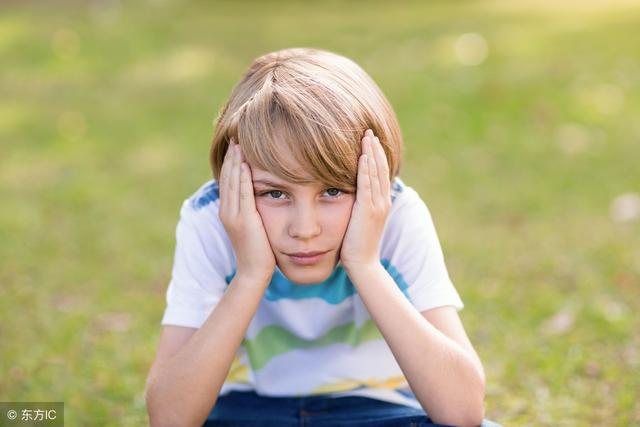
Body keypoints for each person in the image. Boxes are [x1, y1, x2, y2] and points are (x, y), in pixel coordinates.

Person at [145, 48, 499, 427]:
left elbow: (462, 412)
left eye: (332, 191)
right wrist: (250, 274)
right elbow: (170, 417)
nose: (305, 228)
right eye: (274, 193)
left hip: (377, 409)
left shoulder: (396, 217)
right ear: (236, 181)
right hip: (245, 411)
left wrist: (365, 264)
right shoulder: (212, 219)